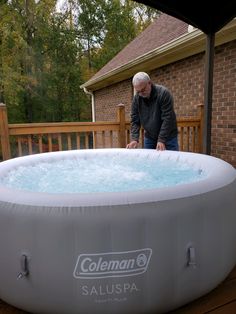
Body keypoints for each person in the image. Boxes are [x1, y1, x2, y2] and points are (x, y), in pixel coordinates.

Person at [126, 72, 179, 151]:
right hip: (150, 137)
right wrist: (134, 138)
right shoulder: (137, 99)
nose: (140, 94)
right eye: (138, 91)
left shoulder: (163, 93)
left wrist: (161, 139)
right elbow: (135, 120)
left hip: (168, 137)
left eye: (143, 90)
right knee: (148, 162)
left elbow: (167, 118)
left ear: (149, 83)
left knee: (170, 162)